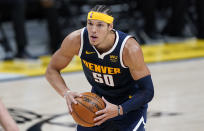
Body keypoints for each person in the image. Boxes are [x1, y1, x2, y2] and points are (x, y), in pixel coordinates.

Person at [46, 5, 154, 131]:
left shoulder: (128, 49)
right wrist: (66, 93)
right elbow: (51, 70)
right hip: (97, 104)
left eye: (100, 25)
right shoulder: (76, 40)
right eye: (90, 24)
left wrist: (120, 109)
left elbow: (147, 91)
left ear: (110, 27)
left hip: (128, 106)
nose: (93, 30)